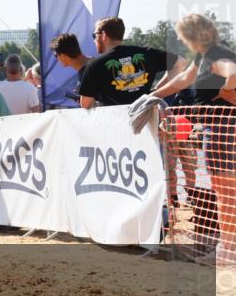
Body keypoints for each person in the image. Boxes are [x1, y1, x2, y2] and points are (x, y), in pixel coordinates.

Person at [151, 13, 236, 262]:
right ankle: (226, 248)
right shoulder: (205, 56)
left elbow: (233, 74)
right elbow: (183, 78)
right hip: (218, 129)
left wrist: (224, 92)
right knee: (223, 191)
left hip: (223, 128)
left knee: (225, 191)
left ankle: (228, 250)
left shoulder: (216, 55)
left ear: (191, 36)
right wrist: (152, 95)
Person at [79, 17, 186, 109]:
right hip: (147, 118)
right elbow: (181, 63)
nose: (94, 40)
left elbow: (86, 104)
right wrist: (156, 92)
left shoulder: (94, 65)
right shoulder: (146, 53)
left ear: (103, 35)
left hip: (116, 124)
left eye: (95, 35)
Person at [49, 32, 90, 104]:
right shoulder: (94, 63)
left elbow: (88, 105)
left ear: (63, 56)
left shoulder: (87, 72)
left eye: (55, 55)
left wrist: (84, 102)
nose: (56, 58)